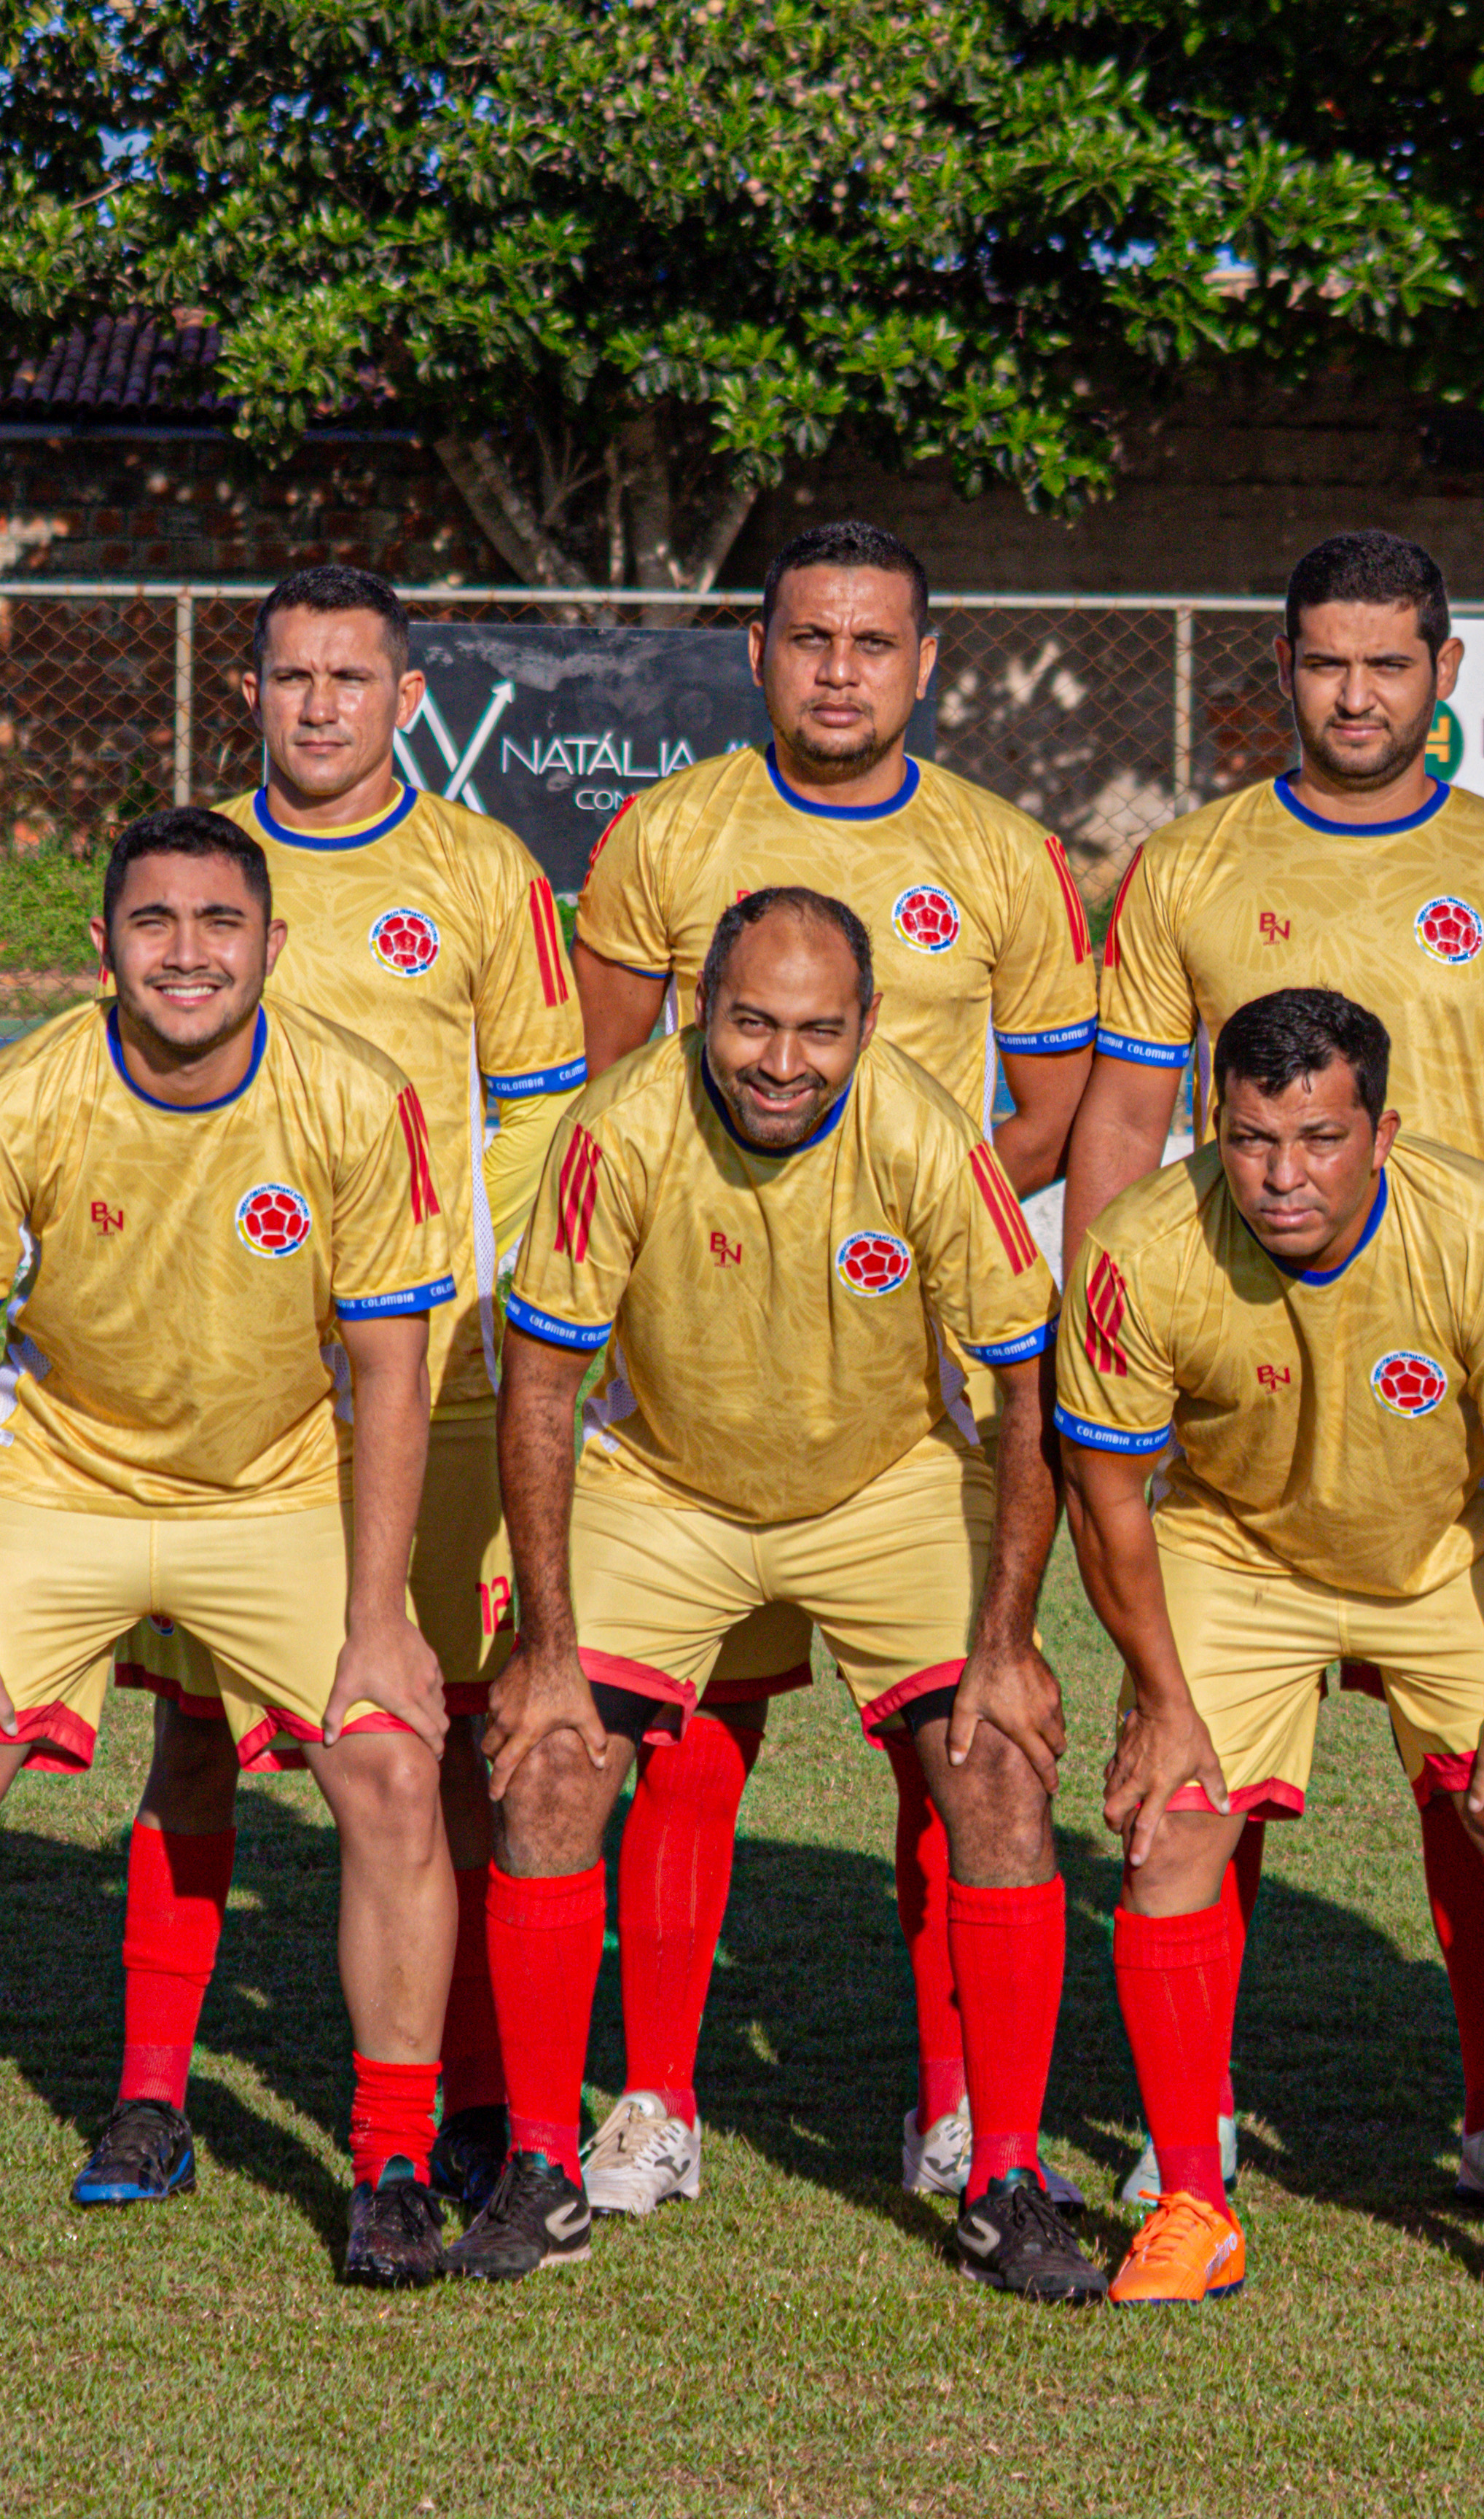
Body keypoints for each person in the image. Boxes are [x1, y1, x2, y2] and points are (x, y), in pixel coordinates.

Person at [1059, 528, 1484, 2211]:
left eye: (1390, 664)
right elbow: (1119, 1117)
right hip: (1246, 1401)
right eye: (1326, 663)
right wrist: (1106, 1337)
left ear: (1445, 676)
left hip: (1471, 1398)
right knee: (1188, 1786)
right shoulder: (1191, 866)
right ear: (1284, 671)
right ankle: (1198, 2142)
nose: (1358, 694)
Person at [0, 808, 461, 2289]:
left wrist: (382, 1612)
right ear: (104, 945)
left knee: (389, 1766)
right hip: (68, 1480)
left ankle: (389, 2166)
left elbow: (391, 1373)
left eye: (218, 924)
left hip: (274, 1496)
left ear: (272, 944)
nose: (187, 954)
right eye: (153, 924)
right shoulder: (17, 1097)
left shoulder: (354, 1096)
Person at [460, 886, 1100, 2301]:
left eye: (820, 1030)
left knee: (996, 1769)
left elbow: (1026, 1381)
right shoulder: (615, 1130)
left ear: (869, 1026)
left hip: (885, 1488)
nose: (782, 1061)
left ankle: (1003, 2175)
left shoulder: (926, 1132)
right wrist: (549, 1649)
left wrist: (1008, 1643)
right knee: (549, 1764)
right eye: (752, 1021)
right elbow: (546, 1387)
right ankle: (536, 2168)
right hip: (665, 1487)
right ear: (701, 1010)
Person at [565, 520, 1097, 2214]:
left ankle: (957, 2107)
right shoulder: (671, 834)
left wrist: (919, 1228)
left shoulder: (1003, 854)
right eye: (811, 639)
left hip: (915, 1367)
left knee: (953, 1745)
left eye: (875, 642)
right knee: (688, 1738)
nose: (841, 670)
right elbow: (611, 1079)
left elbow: (1064, 1099)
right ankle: (653, 2098)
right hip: (708, 1342)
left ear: (925, 661)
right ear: (758, 652)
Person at [81, 566, 589, 2226]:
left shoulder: (480, 872)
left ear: (410, 697)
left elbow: (535, 1114)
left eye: (350, 679)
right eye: (291, 677)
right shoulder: (192, 867)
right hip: (221, 1377)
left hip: (420, 1378)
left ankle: (464, 2088)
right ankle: (153, 2091)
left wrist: (483, 1293)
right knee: (195, 1740)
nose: (319, 707)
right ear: (249, 693)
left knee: (427, 1730)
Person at [1060, 988, 1484, 2316]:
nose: (1283, 1175)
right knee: (1171, 1829)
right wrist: (1159, 1702)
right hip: (1237, 1547)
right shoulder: (1142, 1246)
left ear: (1384, 1133)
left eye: (1321, 1138)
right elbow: (1105, 1494)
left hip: (1449, 1542)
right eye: (1256, 1137)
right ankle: (1192, 2205)